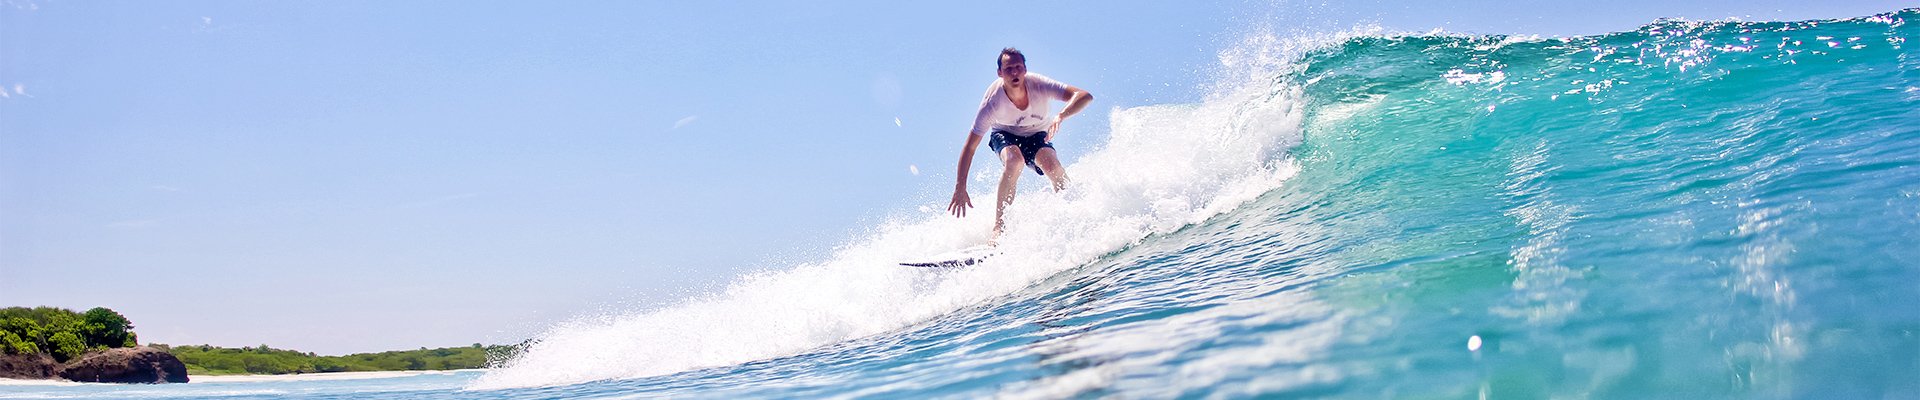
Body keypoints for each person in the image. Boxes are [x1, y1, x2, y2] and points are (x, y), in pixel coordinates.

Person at [947, 47, 1093, 243]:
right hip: (1004, 133)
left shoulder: (1039, 84)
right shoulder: (992, 102)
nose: (1014, 72)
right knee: (1014, 161)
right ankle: (999, 228)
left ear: (1025, 69)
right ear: (1000, 73)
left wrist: (1061, 115)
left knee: (1051, 165)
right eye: (1008, 69)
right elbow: (970, 147)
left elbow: (1084, 95)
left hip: (1037, 133)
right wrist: (960, 186)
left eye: (1018, 67)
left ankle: (1074, 210)